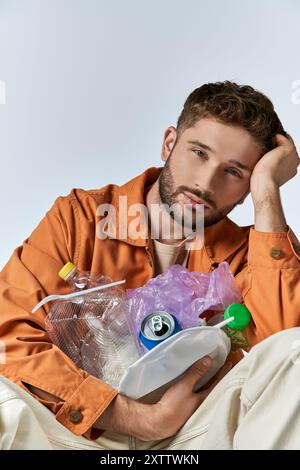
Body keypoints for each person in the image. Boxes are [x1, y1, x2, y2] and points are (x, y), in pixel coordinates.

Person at [0, 81, 299, 449]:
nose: (205, 183)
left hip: (193, 435)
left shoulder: (247, 252)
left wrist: (268, 191)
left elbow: (281, 353)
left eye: (234, 172)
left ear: (246, 188)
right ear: (168, 143)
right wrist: (135, 418)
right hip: (73, 430)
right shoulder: (80, 218)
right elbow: (8, 337)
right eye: (199, 153)